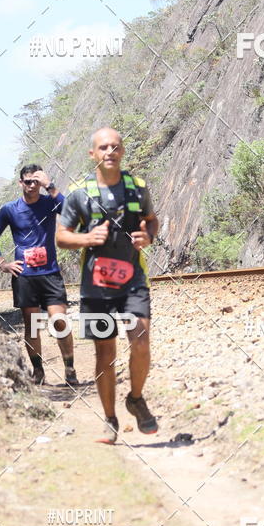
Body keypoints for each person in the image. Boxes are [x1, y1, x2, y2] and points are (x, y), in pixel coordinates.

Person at [57, 127, 159, 444]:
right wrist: (87, 238)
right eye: (103, 147)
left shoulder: (137, 188)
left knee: (141, 340)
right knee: (105, 353)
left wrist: (148, 236)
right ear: (93, 154)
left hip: (133, 280)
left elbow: (152, 219)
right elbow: (61, 236)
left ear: (122, 151)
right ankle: (110, 420)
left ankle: (135, 398)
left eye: (115, 146)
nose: (110, 152)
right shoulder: (79, 193)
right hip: (96, 285)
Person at [0, 164, 78, 387]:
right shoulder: (9, 209)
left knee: (59, 321)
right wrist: (2, 263)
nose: (31, 185)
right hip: (25, 276)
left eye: (36, 182)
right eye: (28, 181)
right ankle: (38, 371)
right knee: (32, 326)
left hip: (50, 273)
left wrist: (50, 186)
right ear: (21, 183)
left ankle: (70, 369)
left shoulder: (49, 203)